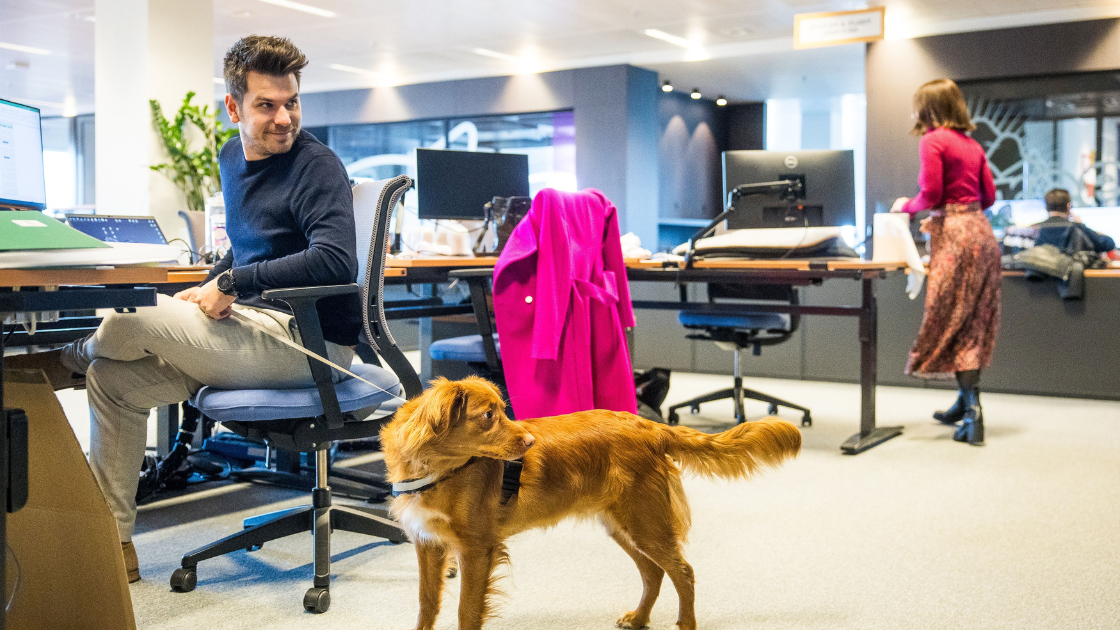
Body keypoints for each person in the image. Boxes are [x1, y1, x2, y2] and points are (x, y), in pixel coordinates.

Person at [8, 36, 361, 581]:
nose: (284, 118)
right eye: (266, 105)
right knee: (113, 380)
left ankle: (63, 360)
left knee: (130, 317)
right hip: (249, 329)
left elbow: (336, 260)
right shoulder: (231, 158)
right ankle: (113, 545)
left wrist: (233, 282)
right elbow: (250, 245)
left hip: (311, 342)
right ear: (234, 108)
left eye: (291, 102)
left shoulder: (317, 165)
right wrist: (207, 285)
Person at [889, 78, 1000, 446]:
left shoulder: (933, 140)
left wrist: (905, 206)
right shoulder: (972, 145)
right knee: (973, 320)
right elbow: (989, 197)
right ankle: (964, 404)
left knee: (950, 316)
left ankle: (973, 412)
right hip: (982, 235)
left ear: (928, 108)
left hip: (954, 237)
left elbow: (932, 193)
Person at [1031, 188, 1116, 254]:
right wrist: (1082, 225)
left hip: (1038, 272)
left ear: (1046, 207)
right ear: (1068, 206)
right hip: (1071, 271)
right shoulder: (1077, 227)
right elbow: (1108, 243)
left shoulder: (1034, 229)